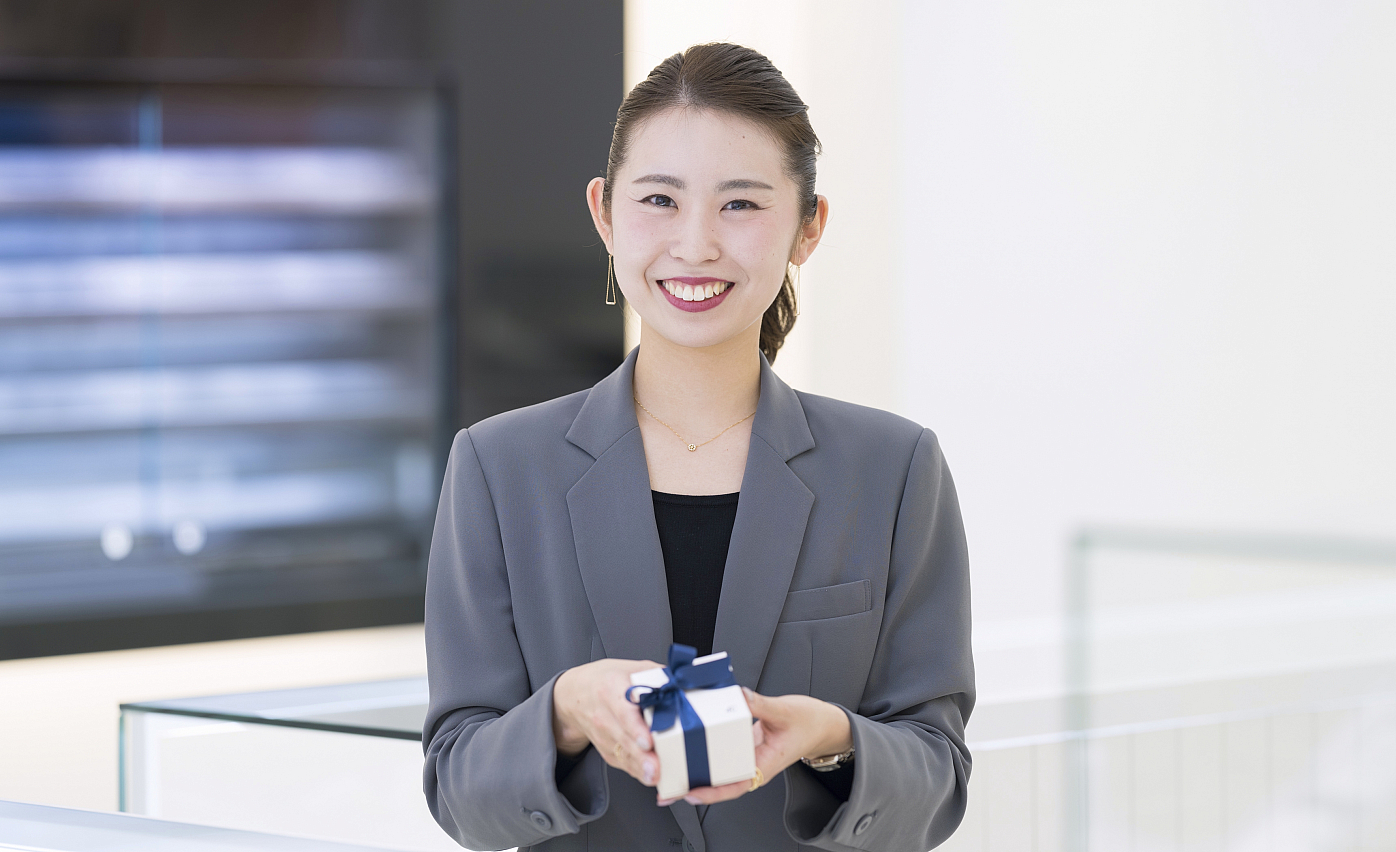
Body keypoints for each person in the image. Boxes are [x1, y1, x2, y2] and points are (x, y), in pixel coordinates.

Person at [422, 43, 973, 852]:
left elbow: (939, 782)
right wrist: (567, 711)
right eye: (659, 200)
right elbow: (459, 791)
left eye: (741, 205)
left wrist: (827, 736)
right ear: (606, 216)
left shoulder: (892, 470)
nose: (695, 245)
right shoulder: (498, 470)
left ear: (807, 228)